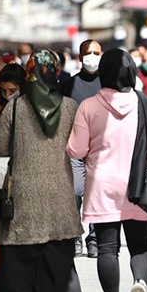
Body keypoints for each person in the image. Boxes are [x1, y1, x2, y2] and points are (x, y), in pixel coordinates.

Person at [67, 49, 147, 292]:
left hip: (102, 184)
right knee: (141, 244)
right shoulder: (144, 102)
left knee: (107, 248)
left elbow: (76, 149)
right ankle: (140, 281)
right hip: (138, 184)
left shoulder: (88, 106)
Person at [0, 48, 83, 292]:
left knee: (19, 269)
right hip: (59, 196)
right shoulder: (71, 107)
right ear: (55, 72)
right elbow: (78, 148)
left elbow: (1, 147)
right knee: (58, 267)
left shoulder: (14, 108)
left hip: (23, 198)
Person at [59, 39, 103, 258]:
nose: (92, 57)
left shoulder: (108, 84)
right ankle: (75, 235)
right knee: (76, 192)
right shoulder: (68, 85)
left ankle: (93, 239)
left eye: (96, 52)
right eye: (88, 53)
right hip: (75, 149)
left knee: (95, 195)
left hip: (100, 150)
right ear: (80, 57)